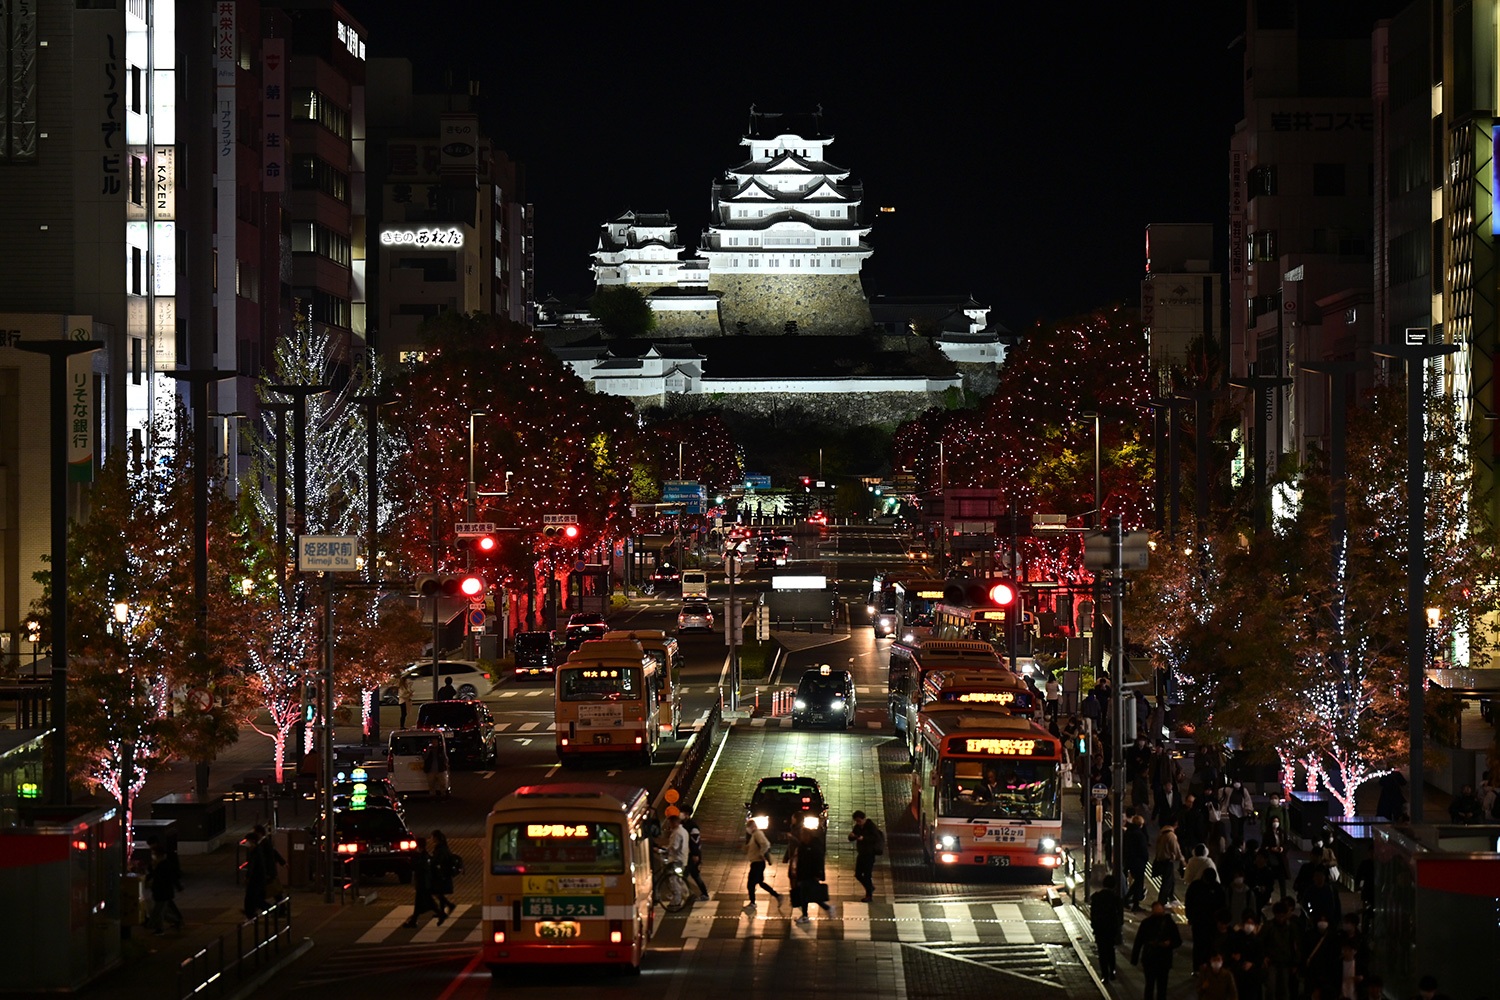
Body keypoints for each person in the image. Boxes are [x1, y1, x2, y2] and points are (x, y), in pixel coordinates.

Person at [1130, 899, 1183, 1000]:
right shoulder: (1168, 923)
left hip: (1153, 958)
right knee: (1160, 986)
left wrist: (1135, 959)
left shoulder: (1148, 923)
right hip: (1159, 959)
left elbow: (1138, 942)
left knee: (1151, 985)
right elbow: (1139, 941)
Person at [1185, 868, 1228, 970]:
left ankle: (1208, 967)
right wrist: (1190, 917)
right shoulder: (1196, 886)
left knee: (1210, 945)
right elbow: (1189, 902)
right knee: (1199, 945)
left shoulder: (1217, 888)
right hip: (1199, 921)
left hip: (1211, 922)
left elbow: (1222, 905)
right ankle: (1197, 967)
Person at [789, 828, 833, 922]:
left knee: (807, 894)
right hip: (803, 874)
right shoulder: (803, 845)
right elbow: (800, 860)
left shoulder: (814, 846)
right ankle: (825, 909)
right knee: (808, 894)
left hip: (811, 874)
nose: (801, 837)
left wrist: (818, 874)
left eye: (803, 835)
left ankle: (807, 915)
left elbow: (819, 861)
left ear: (808, 835)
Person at [1088, 875, 1124, 982]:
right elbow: (1120, 916)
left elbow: (1093, 913)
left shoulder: (1096, 897)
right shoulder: (1116, 898)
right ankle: (1112, 970)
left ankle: (1105, 975)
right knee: (1110, 950)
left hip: (1100, 928)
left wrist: (1094, 925)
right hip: (1111, 928)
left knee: (1102, 952)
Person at [402, 839, 446, 928]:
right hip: (424, 883)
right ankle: (414, 920)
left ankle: (439, 913)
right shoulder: (425, 856)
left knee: (426, 902)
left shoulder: (423, 857)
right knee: (423, 903)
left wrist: (410, 862)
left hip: (423, 884)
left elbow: (419, 868)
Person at [146, 841, 184, 934]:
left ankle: (159, 928)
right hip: (159, 891)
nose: (153, 856)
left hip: (164, 892)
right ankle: (175, 921)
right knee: (161, 911)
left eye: (154, 854)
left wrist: (178, 887)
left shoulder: (165, 865)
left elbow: (172, 877)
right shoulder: (156, 865)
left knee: (158, 911)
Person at [742, 819, 781, 908]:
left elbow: (766, 844)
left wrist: (761, 853)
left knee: (750, 884)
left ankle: (753, 903)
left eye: (748, 827)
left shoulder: (757, 834)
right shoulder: (754, 835)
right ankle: (777, 895)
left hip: (758, 863)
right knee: (760, 882)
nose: (748, 829)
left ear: (752, 827)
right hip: (756, 863)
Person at [848, 810, 883, 903]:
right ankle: (870, 887)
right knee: (858, 874)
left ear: (864, 819)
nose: (858, 823)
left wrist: (864, 838)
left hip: (869, 853)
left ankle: (869, 895)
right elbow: (852, 837)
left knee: (867, 875)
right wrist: (852, 836)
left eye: (859, 821)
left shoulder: (870, 826)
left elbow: (875, 838)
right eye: (856, 821)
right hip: (862, 853)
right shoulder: (858, 827)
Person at [680, 804, 709, 901]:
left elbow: (695, 842)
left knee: (687, 875)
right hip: (688, 854)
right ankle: (697, 893)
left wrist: (695, 854)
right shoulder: (684, 824)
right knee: (693, 875)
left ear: (687, 814)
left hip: (692, 855)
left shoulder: (692, 826)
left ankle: (691, 894)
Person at [1123, 812, 1151, 911]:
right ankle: (1132, 902)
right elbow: (1143, 849)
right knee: (1138, 882)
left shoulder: (1128, 833)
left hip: (1130, 860)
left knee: (1137, 882)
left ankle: (1129, 900)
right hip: (1139, 861)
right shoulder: (1139, 835)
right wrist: (1145, 859)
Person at [1153, 819, 1184, 906]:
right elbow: (1176, 848)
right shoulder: (1171, 835)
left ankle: (1171, 897)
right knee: (1167, 882)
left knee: (1170, 880)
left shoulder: (1162, 833)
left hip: (1161, 859)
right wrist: (1182, 859)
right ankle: (1162, 901)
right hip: (1167, 860)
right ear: (1175, 825)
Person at [253, 824, 286, 903]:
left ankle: (266, 908)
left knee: (272, 891)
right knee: (275, 892)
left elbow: (270, 856)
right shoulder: (264, 843)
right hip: (268, 872)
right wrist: (283, 862)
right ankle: (280, 908)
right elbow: (274, 853)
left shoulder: (264, 844)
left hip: (268, 872)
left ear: (259, 833)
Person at [430, 829, 457, 916]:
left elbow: (439, 860)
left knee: (437, 892)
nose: (431, 839)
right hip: (443, 873)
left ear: (436, 838)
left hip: (442, 873)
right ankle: (443, 910)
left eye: (432, 837)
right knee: (439, 892)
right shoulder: (443, 847)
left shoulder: (440, 848)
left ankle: (449, 905)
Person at [242, 828, 269, 918]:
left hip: (256, 879)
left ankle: (252, 914)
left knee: (253, 898)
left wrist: (248, 876)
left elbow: (253, 867)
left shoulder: (256, 852)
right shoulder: (257, 850)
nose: (247, 843)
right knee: (254, 898)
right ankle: (250, 913)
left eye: (248, 841)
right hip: (258, 879)